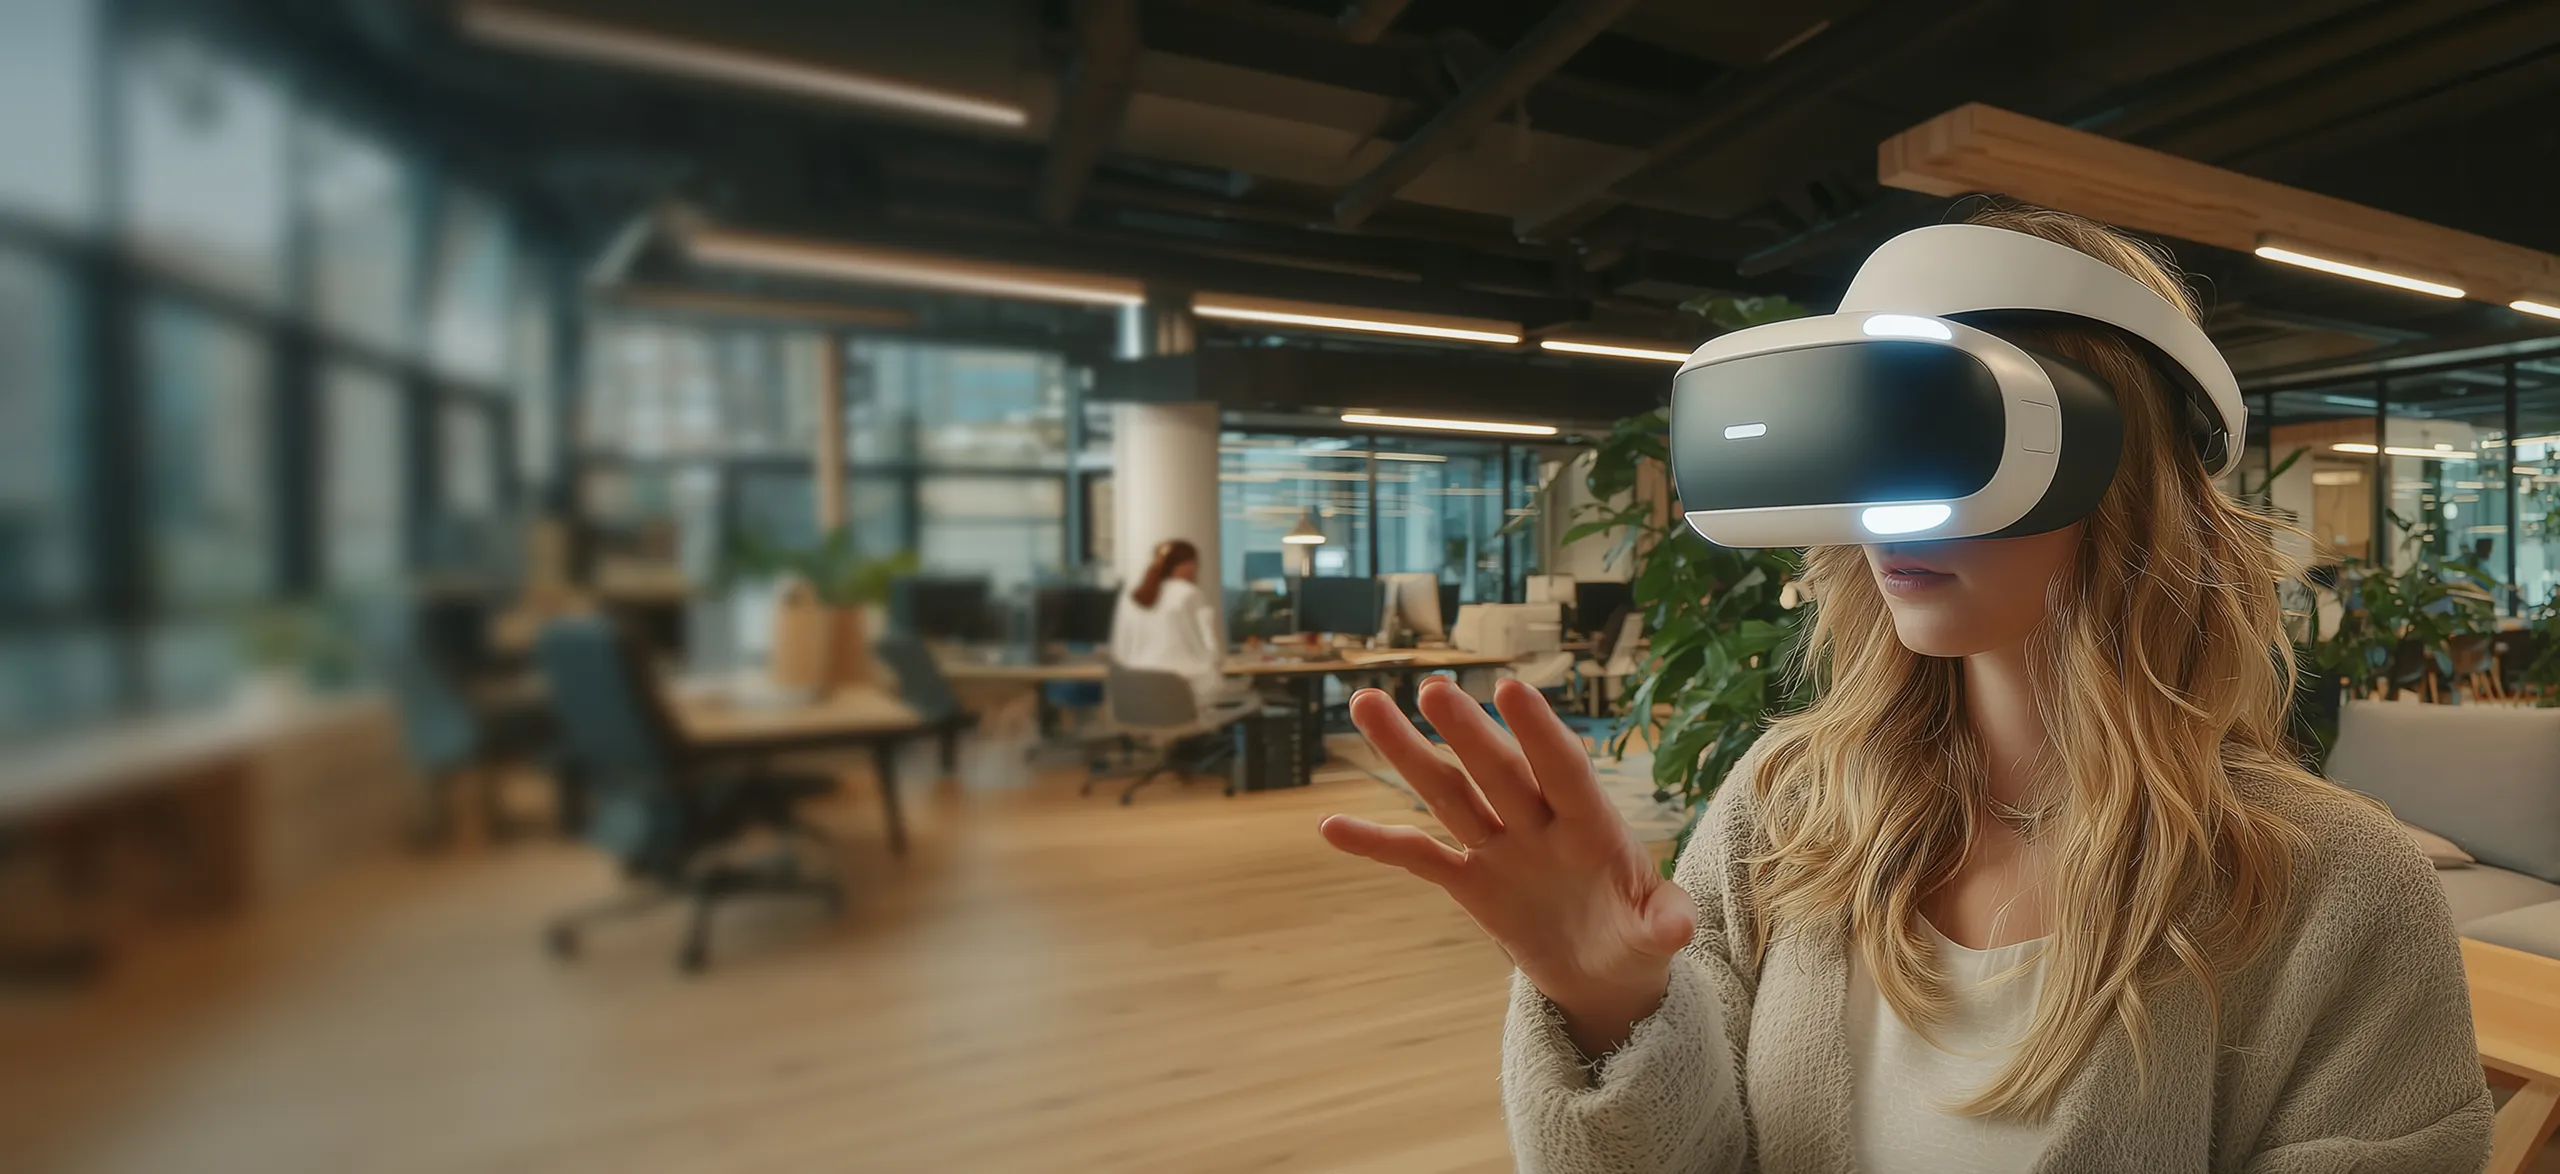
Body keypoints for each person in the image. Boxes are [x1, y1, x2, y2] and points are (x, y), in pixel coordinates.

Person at [1316, 207, 2493, 1172]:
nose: (1884, 514)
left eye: (1935, 439)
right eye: (1863, 452)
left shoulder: (2334, 891)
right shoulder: (1786, 809)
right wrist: (1604, 1003)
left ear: (2119, 464)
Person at [1111, 539, 1249, 711]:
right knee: (1247, 693)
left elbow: (1120, 649)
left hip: (1137, 696)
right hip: (1187, 696)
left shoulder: (1132, 597)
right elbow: (1210, 650)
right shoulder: (1188, 593)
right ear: (1188, 564)